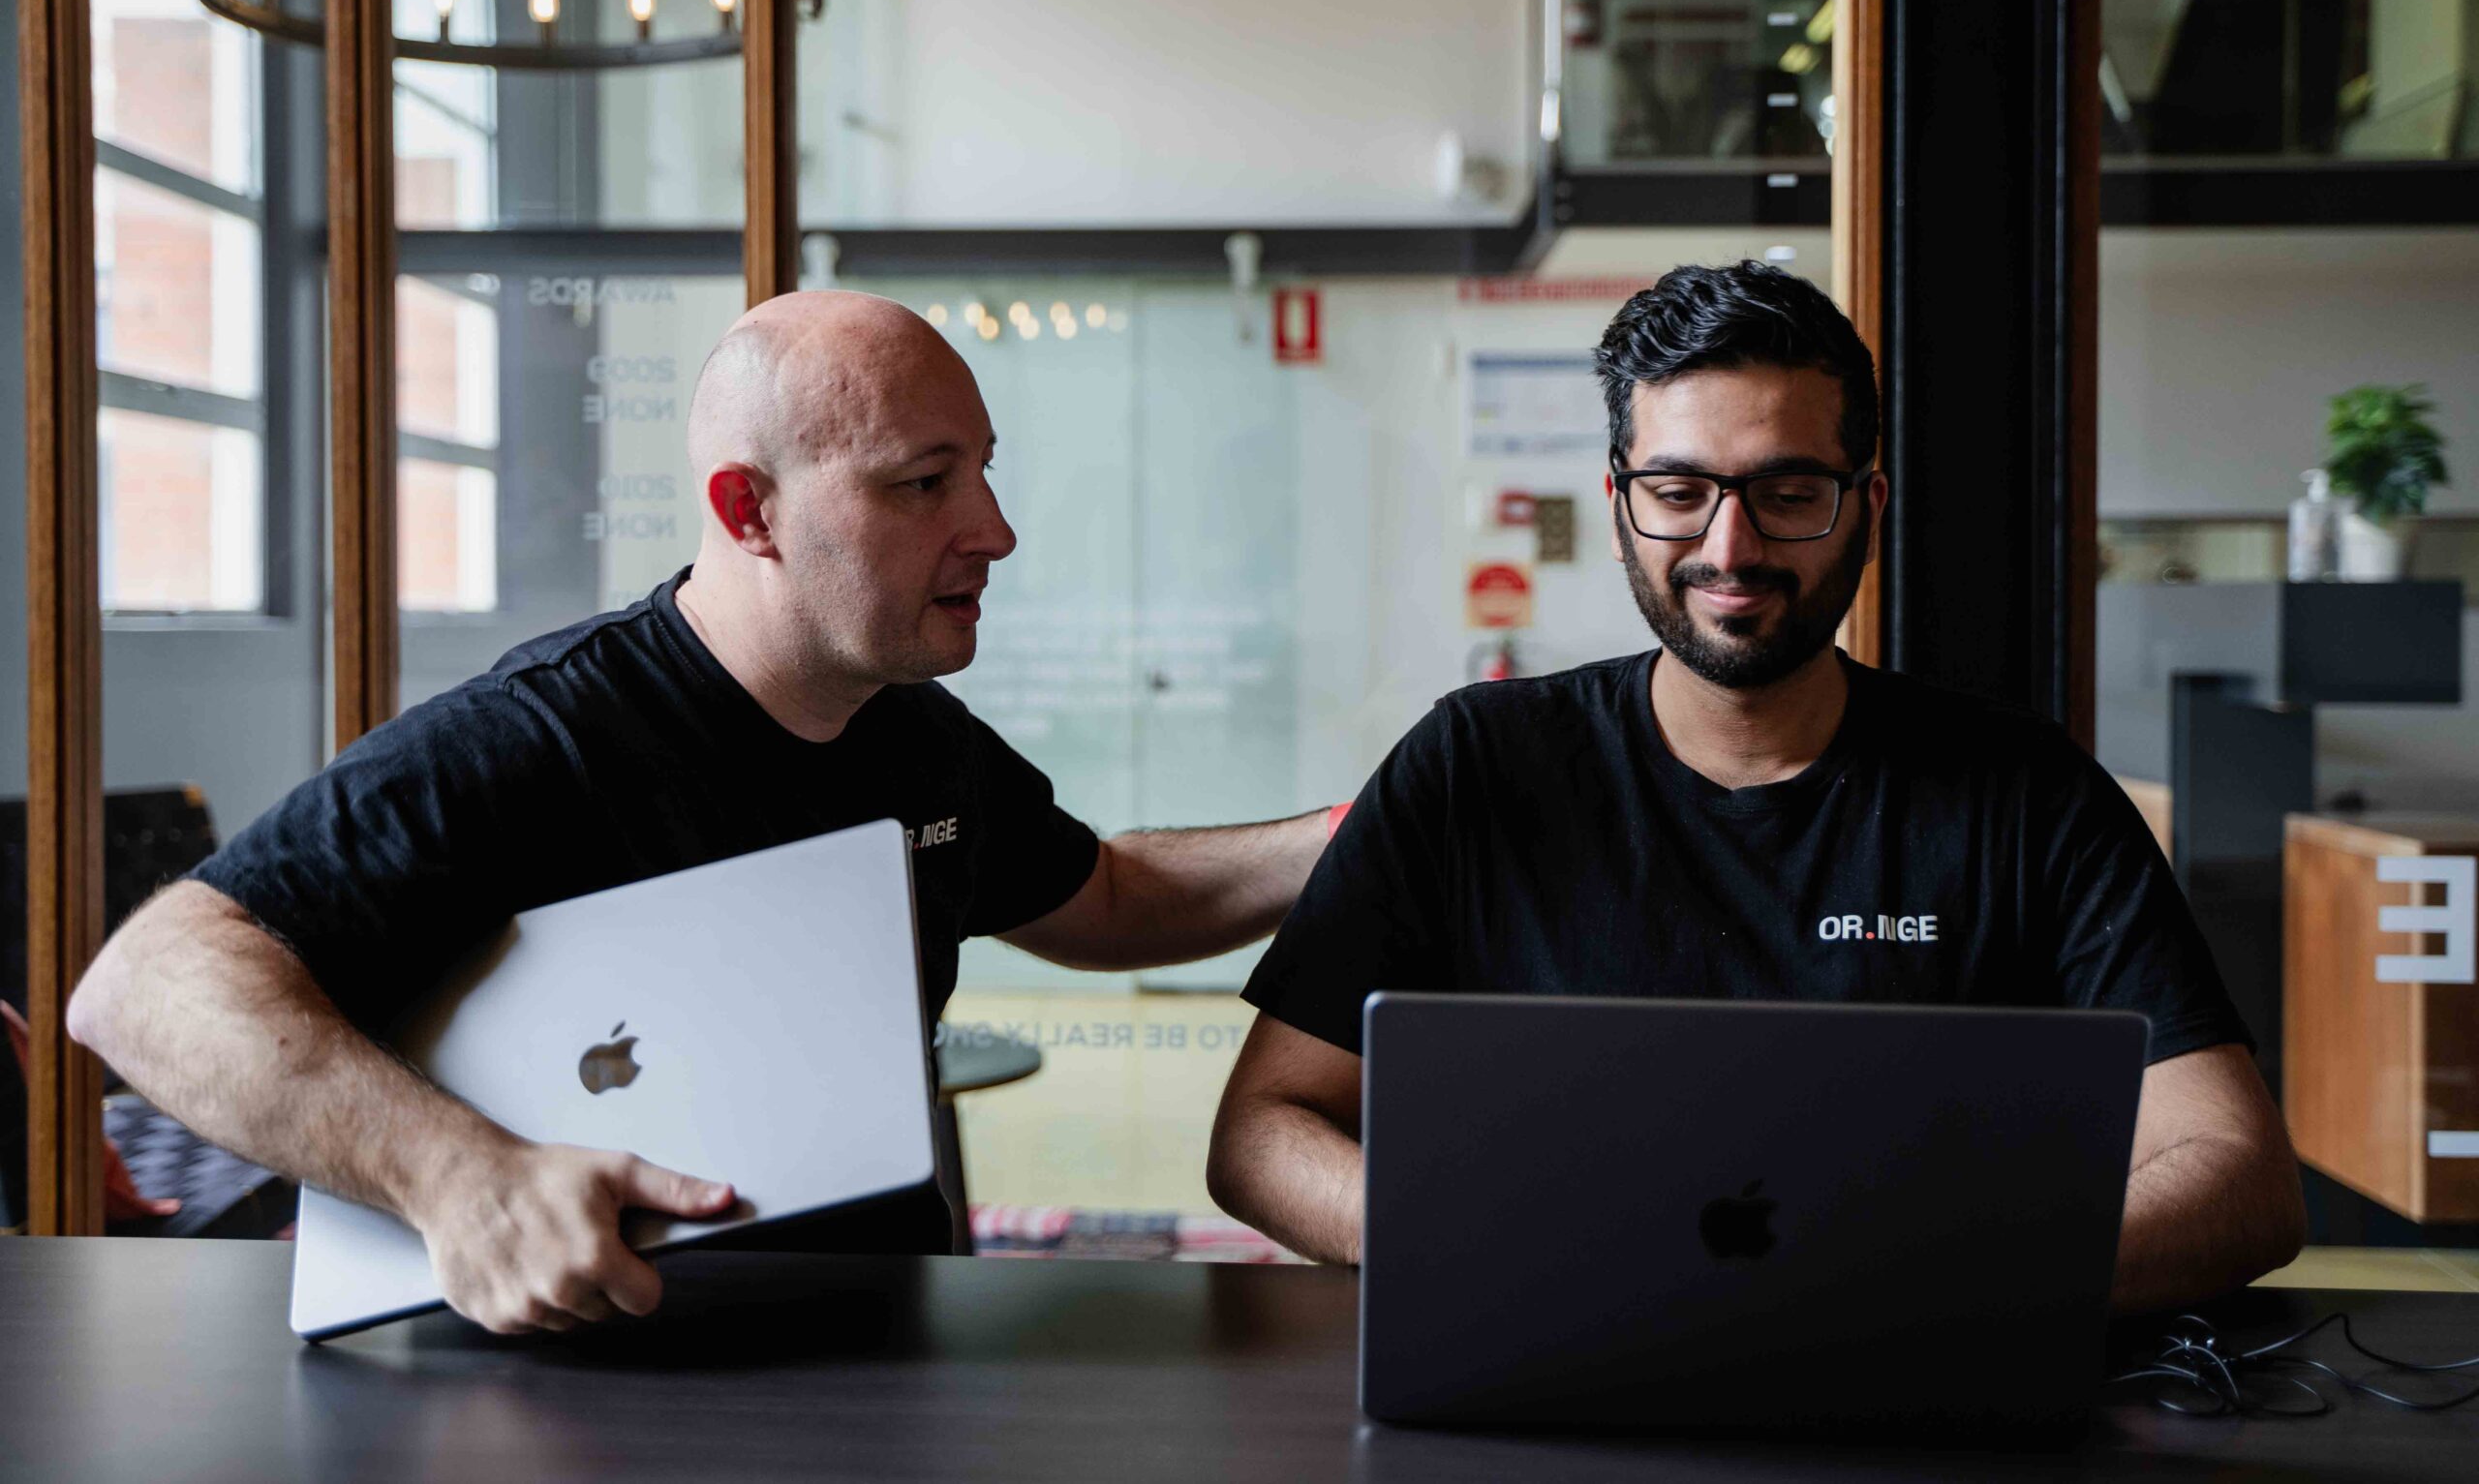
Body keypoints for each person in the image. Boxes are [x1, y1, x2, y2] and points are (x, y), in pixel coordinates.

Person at [69, 290, 1330, 1335]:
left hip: (879, 1353)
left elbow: (1106, 895)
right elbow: (145, 988)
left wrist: (1355, 833)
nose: (992, 531)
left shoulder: (916, 735)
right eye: (921, 483)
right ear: (747, 511)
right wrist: (458, 1176)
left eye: (982, 472)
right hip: (571, 1382)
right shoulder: (537, 738)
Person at [1207, 261, 2306, 1315]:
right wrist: (1494, 1254)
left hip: (1916, 1381)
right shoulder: (1473, 767)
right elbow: (1262, 1131)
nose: (1729, 548)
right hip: (1540, 1364)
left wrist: (1925, 1292)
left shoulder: (2025, 796)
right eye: (1679, 492)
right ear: (1619, 503)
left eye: (1788, 493)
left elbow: (2240, 1173)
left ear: (1867, 507)